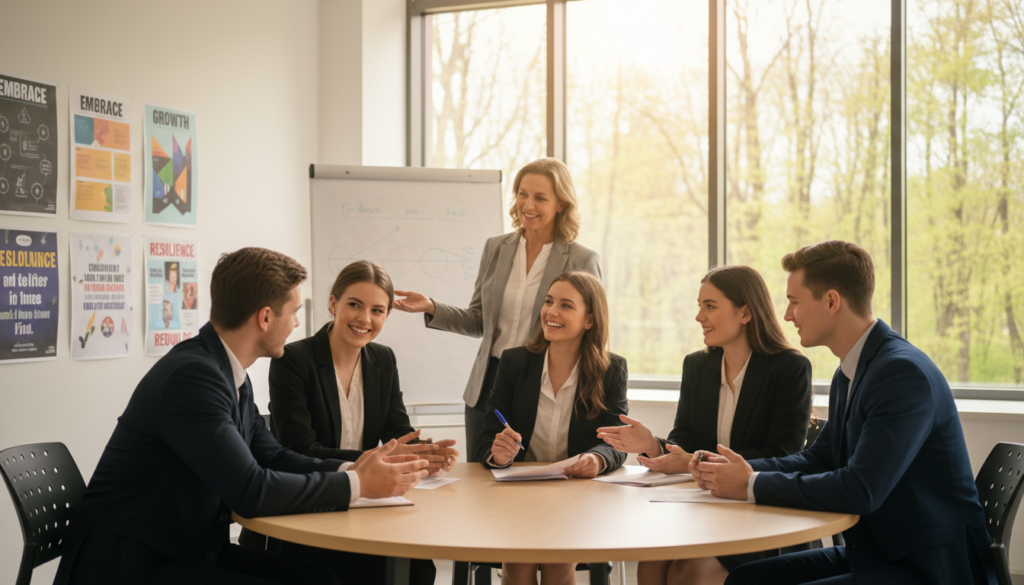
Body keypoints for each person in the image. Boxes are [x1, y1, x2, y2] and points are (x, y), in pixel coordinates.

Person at [54, 248, 430, 585]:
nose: (298, 324)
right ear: (266, 317)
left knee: (317, 578)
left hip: (183, 550)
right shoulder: (194, 378)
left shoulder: (227, 372)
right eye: (295, 312)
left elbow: (274, 456)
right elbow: (252, 491)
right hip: (136, 565)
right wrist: (359, 486)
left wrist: (352, 470)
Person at [689, 241, 997, 585]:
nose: (788, 315)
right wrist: (734, 472)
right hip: (881, 550)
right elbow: (820, 458)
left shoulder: (900, 374)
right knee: (747, 579)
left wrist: (750, 484)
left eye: (794, 302)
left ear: (832, 301)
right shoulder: (851, 371)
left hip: (926, 564)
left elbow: (860, 489)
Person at [596, 265, 813, 585]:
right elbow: (683, 439)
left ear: (745, 313)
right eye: (699, 306)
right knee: (651, 563)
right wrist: (653, 446)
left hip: (760, 510)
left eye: (710, 306)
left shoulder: (790, 368)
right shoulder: (697, 365)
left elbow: (780, 454)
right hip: (699, 505)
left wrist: (695, 461)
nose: (699, 317)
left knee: (689, 572)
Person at [262, 260, 458, 584]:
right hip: (312, 503)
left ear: (387, 316)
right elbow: (299, 449)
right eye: (355, 305)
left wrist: (426, 452)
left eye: (377, 310)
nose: (365, 319)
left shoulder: (383, 359)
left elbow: (398, 431)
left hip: (369, 504)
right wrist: (374, 462)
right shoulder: (293, 360)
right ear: (333, 303)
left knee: (418, 568)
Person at [394, 158, 602, 462]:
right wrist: (431, 307)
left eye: (540, 197)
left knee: (535, 476)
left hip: (542, 380)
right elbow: (479, 321)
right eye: (522, 193)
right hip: (488, 383)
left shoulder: (582, 258)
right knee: (482, 477)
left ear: (561, 204)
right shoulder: (496, 248)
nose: (527, 204)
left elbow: (592, 327)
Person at [479, 271, 628, 585]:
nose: (551, 312)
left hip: (577, 493)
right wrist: (500, 454)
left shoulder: (610, 369)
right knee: (517, 570)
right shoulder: (514, 362)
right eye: (548, 302)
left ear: (589, 320)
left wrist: (597, 459)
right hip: (521, 490)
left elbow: (617, 439)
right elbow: (488, 434)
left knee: (558, 565)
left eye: (565, 305)